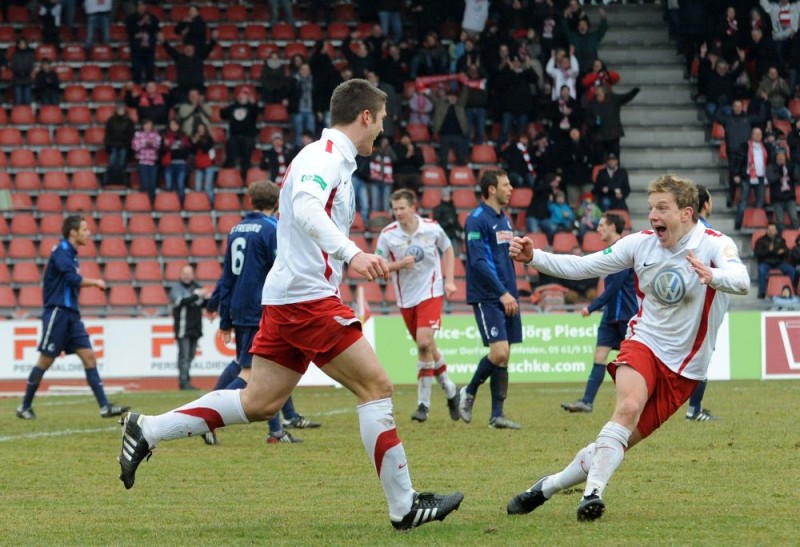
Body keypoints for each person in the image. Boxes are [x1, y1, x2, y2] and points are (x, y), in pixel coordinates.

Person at [116, 78, 464, 530]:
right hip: (306, 299)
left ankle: (148, 429)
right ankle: (404, 507)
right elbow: (304, 209)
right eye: (381, 120)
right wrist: (352, 254)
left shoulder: (328, 159)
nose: (382, 129)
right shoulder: (322, 159)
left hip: (290, 297)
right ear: (364, 116)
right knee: (376, 387)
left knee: (260, 401)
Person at [506, 175, 749, 521]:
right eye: (650, 208)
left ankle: (547, 486)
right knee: (628, 407)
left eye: (662, 208)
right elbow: (583, 266)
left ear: (686, 212)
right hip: (644, 343)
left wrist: (715, 276)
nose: (653, 216)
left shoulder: (715, 245)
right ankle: (592, 494)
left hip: (685, 370)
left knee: (615, 443)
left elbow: (742, 281)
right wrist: (535, 258)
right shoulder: (640, 244)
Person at [210, 181, 320, 445]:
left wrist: (225, 316)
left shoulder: (235, 230)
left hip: (240, 306)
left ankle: (280, 426)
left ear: (249, 201)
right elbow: (284, 267)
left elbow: (227, 277)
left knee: (261, 363)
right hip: (264, 306)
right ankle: (207, 417)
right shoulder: (272, 229)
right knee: (252, 372)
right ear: (278, 202)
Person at [16, 216, 130, 420]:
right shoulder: (60, 251)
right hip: (58, 313)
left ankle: (104, 406)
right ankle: (24, 406)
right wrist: (96, 282)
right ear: (73, 232)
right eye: (85, 229)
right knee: (45, 360)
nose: (88, 233)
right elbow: (72, 279)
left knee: (89, 356)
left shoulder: (71, 254)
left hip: (71, 315)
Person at [376, 189, 460, 422]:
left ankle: (423, 405)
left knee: (423, 342)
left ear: (413, 207)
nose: (398, 213)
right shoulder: (388, 235)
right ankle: (451, 391)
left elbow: (449, 249)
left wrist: (450, 280)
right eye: (395, 209)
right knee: (427, 346)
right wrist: (399, 265)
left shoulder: (432, 228)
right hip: (406, 298)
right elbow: (379, 266)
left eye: (402, 208)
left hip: (431, 292)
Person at [458, 170, 522, 430]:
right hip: (489, 296)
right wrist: (501, 292)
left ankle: (497, 416)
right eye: (506, 184)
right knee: (499, 351)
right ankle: (469, 391)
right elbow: (479, 262)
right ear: (492, 189)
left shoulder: (504, 220)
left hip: (508, 293)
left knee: (504, 357)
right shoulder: (476, 220)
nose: (511, 188)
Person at [561, 213, 636, 413]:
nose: (598, 229)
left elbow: (614, 288)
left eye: (602, 225)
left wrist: (591, 307)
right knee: (599, 356)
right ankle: (587, 402)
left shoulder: (624, 251)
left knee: (634, 362)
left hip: (625, 316)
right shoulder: (608, 251)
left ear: (612, 227)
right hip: (610, 316)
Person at [684, 184, 719, 421]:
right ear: (705, 204)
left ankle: (693, 408)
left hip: (684, 299)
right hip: (702, 301)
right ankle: (693, 410)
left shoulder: (686, 231)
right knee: (702, 354)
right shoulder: (707, 234)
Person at [169, 265, 208, 391]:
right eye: (185, 273)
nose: (187, 276)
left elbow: (203, 304)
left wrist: (208, 298)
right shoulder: (176, 288)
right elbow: (180, 301)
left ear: (193, 275)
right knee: (184, 356)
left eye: (189, 273)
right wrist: (198, 295)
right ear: (180, 275)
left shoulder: (197, 287)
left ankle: (186, 380)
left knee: (191, 356)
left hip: (195, 328)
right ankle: (183, 382)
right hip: (183, 328)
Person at [220, 88, 259, 180]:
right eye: (241, 94)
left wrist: (253, 104)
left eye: (245, 94)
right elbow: (223, 116)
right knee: (230, 156)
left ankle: (244, 178)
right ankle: (229, 178)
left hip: (247, 137)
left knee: (246, 159)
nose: (242, 96)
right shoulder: (233, 107)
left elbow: (255, 114)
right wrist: (222, 109)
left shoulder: (251, 107)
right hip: (234, 136)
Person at [754, 222, 797, 299]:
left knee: (791, 270)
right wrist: (768, 250)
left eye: (773, 230)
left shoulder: (781, 240)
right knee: (761, 269)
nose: (771, 231)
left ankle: (788, 289)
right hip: (766, 262)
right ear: (767, 230)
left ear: (776, 231)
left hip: (779, 262)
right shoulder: (761, 240)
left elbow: (787, 250)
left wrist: (783, 251)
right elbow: (757, 253)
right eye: (769, 229)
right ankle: (762, 292)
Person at [125, 0, 159, 85]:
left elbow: (156, 29)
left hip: (149, 49)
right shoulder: (131, 18)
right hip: (137, 49)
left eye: (143, 5)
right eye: (139, 6)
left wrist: (149, 23)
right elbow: (130, 30)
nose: (141, 7)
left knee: (150, 70)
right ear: (136, 7)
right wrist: (141, 23)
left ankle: (150, 90)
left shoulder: (152, 18)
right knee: (137, 70)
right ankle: (137, 90)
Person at [104, 103, 135, 186]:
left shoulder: (129, 121)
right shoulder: (111, 120)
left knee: (122, 164)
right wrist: (107, 144)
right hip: (113, 145)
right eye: (119, 109)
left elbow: (131, 135)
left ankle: (122, 181)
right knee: (112, 163)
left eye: (122, 109)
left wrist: (129, 146)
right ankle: (110, 181)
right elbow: (108, 134)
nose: (120, 111)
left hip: (124, 145)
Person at [131, 119, 161, 205]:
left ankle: (151, 203)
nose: (147, 127)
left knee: (152, 184)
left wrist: (152, 144)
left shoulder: (156, 134)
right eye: (146, 124)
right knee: (144, 183)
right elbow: (135, 146)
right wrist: (145, 143)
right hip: (142, 161)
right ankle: (144, 203)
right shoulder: (138, 134)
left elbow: (158, 145)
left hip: (153, 162)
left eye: (149, 125)